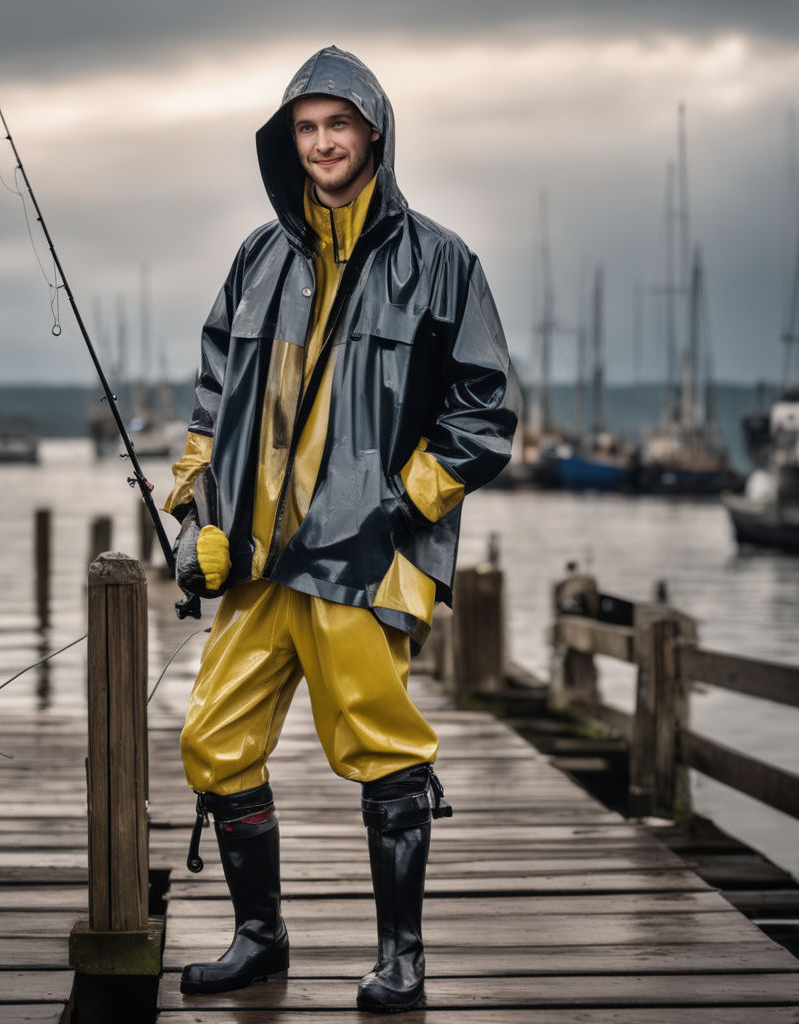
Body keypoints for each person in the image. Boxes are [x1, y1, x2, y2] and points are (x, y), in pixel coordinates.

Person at [164, 45, 516, 1013]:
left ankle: (402, 957)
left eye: (337, 125)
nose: (321, 143)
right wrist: (195, 519)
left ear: (373, 133)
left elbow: (484, 416)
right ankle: (259, 937)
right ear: (290, 143)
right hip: (256, 564)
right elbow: (209, 405)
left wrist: (398, 504)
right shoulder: (257, 256)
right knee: (214, 740)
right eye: (305, 129)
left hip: (363, 562)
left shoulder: (440, 261)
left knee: (381, 744)